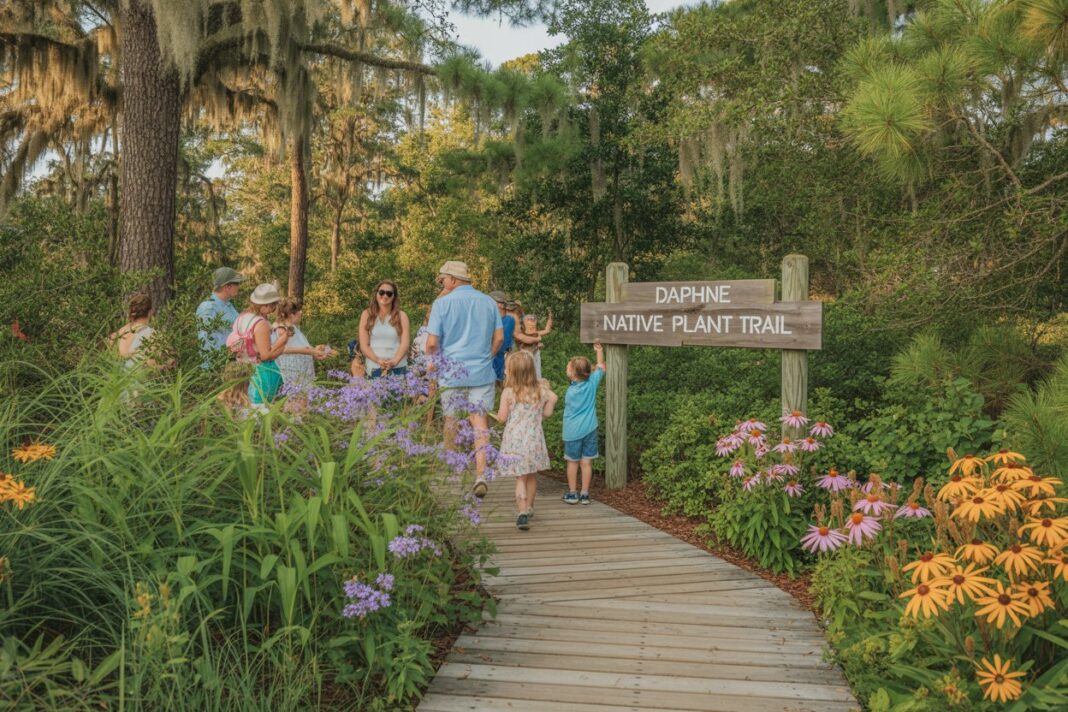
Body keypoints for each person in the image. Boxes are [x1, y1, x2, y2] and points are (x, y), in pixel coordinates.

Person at [425, 260, 503, 498]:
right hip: (481, 371)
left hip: (451, 372)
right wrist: (486, 356)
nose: (443, 283)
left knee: (450, 420)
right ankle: (480, 474)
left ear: (453, 279)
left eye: (443, 279)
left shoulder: (442, 303)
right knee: (480, 424)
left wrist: (433, 363)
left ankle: (452, 473)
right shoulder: (489, 302)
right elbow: (499, 339)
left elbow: (431, 343)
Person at [493, 351, 557, 530]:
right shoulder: (540, 391)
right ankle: (529, 507)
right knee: (531, 475)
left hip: (515, 441)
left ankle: (522, 512)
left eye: (507, 369)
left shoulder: (508, 392)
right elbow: (552, 400)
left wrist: (493, 415)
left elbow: (501, 418)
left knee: (520, 477)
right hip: (534, 440)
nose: (505, 372)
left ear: (514, 372)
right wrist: (545, 411)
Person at [561, 339, 605, 505]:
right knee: (586, 462)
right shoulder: (591, 384)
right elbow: (601, 366)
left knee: (572, 462)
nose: (566, 368)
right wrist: (598, 350)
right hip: (590, 429)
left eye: (568, 367)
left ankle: (573, 493)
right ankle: (585, 493)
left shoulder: (571, 391)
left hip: (572, 432)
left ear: (573, 374)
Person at [231, 283, 289, 407]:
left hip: (242, 368)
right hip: (260, 372)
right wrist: (282, 345)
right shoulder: (260, 323)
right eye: (273, 305)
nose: (274, 309)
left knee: (243, 407)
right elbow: (266, 355)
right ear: (265, 305)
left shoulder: (241, 317)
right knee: (260, 409)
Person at [359, 280, 410, 379]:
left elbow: (405, 343)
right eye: (382, 292)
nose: (385, 296)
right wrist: (378, 360)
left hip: (398, 367)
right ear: (376, 293)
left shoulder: (401, 316)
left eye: (389, 293)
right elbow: (364, 345)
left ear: (394, 296)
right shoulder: (367, 314)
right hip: (374, 367)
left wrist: (394, 361)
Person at [273, 297, 328, 387]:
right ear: (291, 314)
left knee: (304, 398)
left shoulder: (294, 328)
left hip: (303, 372)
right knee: (296, 399)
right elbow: (283, 349)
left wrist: (315, 350)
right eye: (299, 310)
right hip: (293, 373)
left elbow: (301, 346)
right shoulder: (281, 329)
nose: (301, 312)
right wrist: (312, 351)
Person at [196, 267, 245, 366]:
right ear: (227, 286)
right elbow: (207, 342)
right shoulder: (208, 307)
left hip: (232, 363)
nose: (239, 287)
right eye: (237, 284)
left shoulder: (229, 305)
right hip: (216, 368)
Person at [109, 293, 157, 369]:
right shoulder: (151, 333)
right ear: (150, 312)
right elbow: (152, 364)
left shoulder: (120, 332)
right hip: (138, 378)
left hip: (116, 378)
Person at [515, 311, 553, 379]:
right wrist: (537, 346)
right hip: (526, 357)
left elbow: (547, 330)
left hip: (535, 355)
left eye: (533, 319)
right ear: (524, 322)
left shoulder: (536, 333)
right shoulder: (522, 335)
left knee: (537, 373)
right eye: (529, 319)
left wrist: (550, 319)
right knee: (526, 374)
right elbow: (524, 349)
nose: (532, 320)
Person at [489, 291, 515, 385]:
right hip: (491, 359)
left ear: (500, 305)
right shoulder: (492, 318)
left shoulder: (508, 320)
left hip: (500, 360)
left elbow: (503, 344)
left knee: (500, 385)